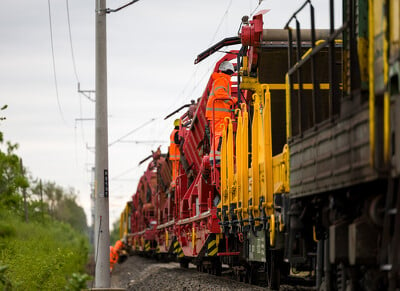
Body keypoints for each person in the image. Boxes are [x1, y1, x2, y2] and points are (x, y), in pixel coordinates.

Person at [205, 61, 237, 165]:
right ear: (230, 71)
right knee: (219, 135)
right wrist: (233, 99)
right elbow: (220, 94)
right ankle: (216, 158)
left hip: (217, 114)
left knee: (218, 136)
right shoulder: (222, 80)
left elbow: (224, 99)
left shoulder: (220, 80)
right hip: (219, 115)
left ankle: (214, 157)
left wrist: (232, 101)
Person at [169, 119, 180, 186]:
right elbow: (177, 142)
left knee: (174, 170)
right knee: (177, 169)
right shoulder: (177, 132)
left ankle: (174, 182)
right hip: (176, 154)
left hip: (173, 154)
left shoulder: (173, 132)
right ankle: (176, 181)